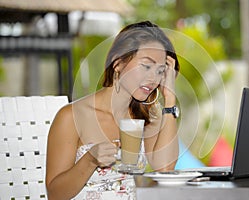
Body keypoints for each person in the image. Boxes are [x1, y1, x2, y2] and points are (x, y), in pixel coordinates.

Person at [45, 21, 180, 200]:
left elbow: (165, 169)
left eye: (160, 71)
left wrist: (169, 100)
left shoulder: (147, 114)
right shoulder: (72, 116)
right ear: (117, 63)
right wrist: (90, 160)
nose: (153, 78)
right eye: (146, 66)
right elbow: (55, 195)